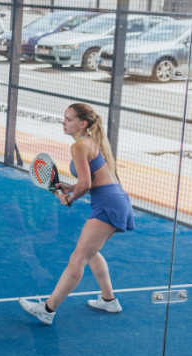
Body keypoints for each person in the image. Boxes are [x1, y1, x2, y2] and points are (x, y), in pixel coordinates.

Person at [19, 103, 134, 325]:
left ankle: (47, 309)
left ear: (82, 124)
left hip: (108, 203)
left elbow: (87, 184)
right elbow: (94, 179)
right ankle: (109, 300)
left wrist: (69, 198)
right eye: (64, 118)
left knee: (78, 258)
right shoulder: (92, 141)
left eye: (69, 119)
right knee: (90, 253)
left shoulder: (79, 146)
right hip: (115, 199)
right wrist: (70, 187)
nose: (63, 122)